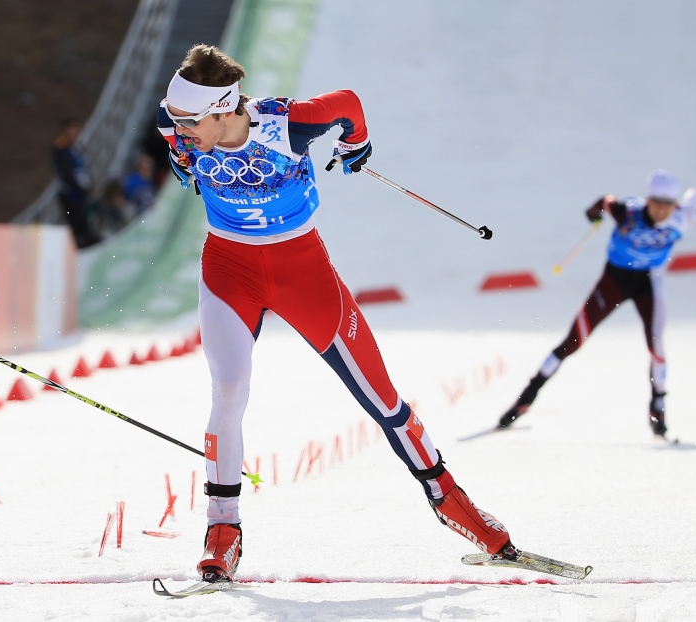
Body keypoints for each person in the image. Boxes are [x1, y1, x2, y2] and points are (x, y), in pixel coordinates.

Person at [157, 44, 515, 583]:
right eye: (176, 122)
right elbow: (170, 131)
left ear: (226, 109)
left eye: (189, 123)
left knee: (379, 396)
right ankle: (222, 528)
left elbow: (347, 103)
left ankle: (450, 501)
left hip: (302, 268)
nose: (178, 130)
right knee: (228, 391)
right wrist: (178, 154)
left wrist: (357, 143)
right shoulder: (178, 121)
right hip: (229, 267)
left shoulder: (288, 124)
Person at [498, 171, 696, 438]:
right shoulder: (628, 211)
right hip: (613, 281)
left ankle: (658, 405)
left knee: (657, 345)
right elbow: (605, 201)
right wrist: (593, 212)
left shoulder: (683, 217)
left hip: (648, 283)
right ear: (647, 199)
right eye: (657, 202)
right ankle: (527, 396)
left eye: (668, 204)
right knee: (573, 341)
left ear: (676, 205)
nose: (662, 210)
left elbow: (694, 199)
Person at [51, 118, 101, 248]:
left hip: (82, 191)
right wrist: (80, 188)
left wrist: (89, 186)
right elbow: (66, 172)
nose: (74, 132)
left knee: (86, 222)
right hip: (71, 193)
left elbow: (84, 170)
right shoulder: (62, 147)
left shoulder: (78, 147)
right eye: (71, 129)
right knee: (78, 224)